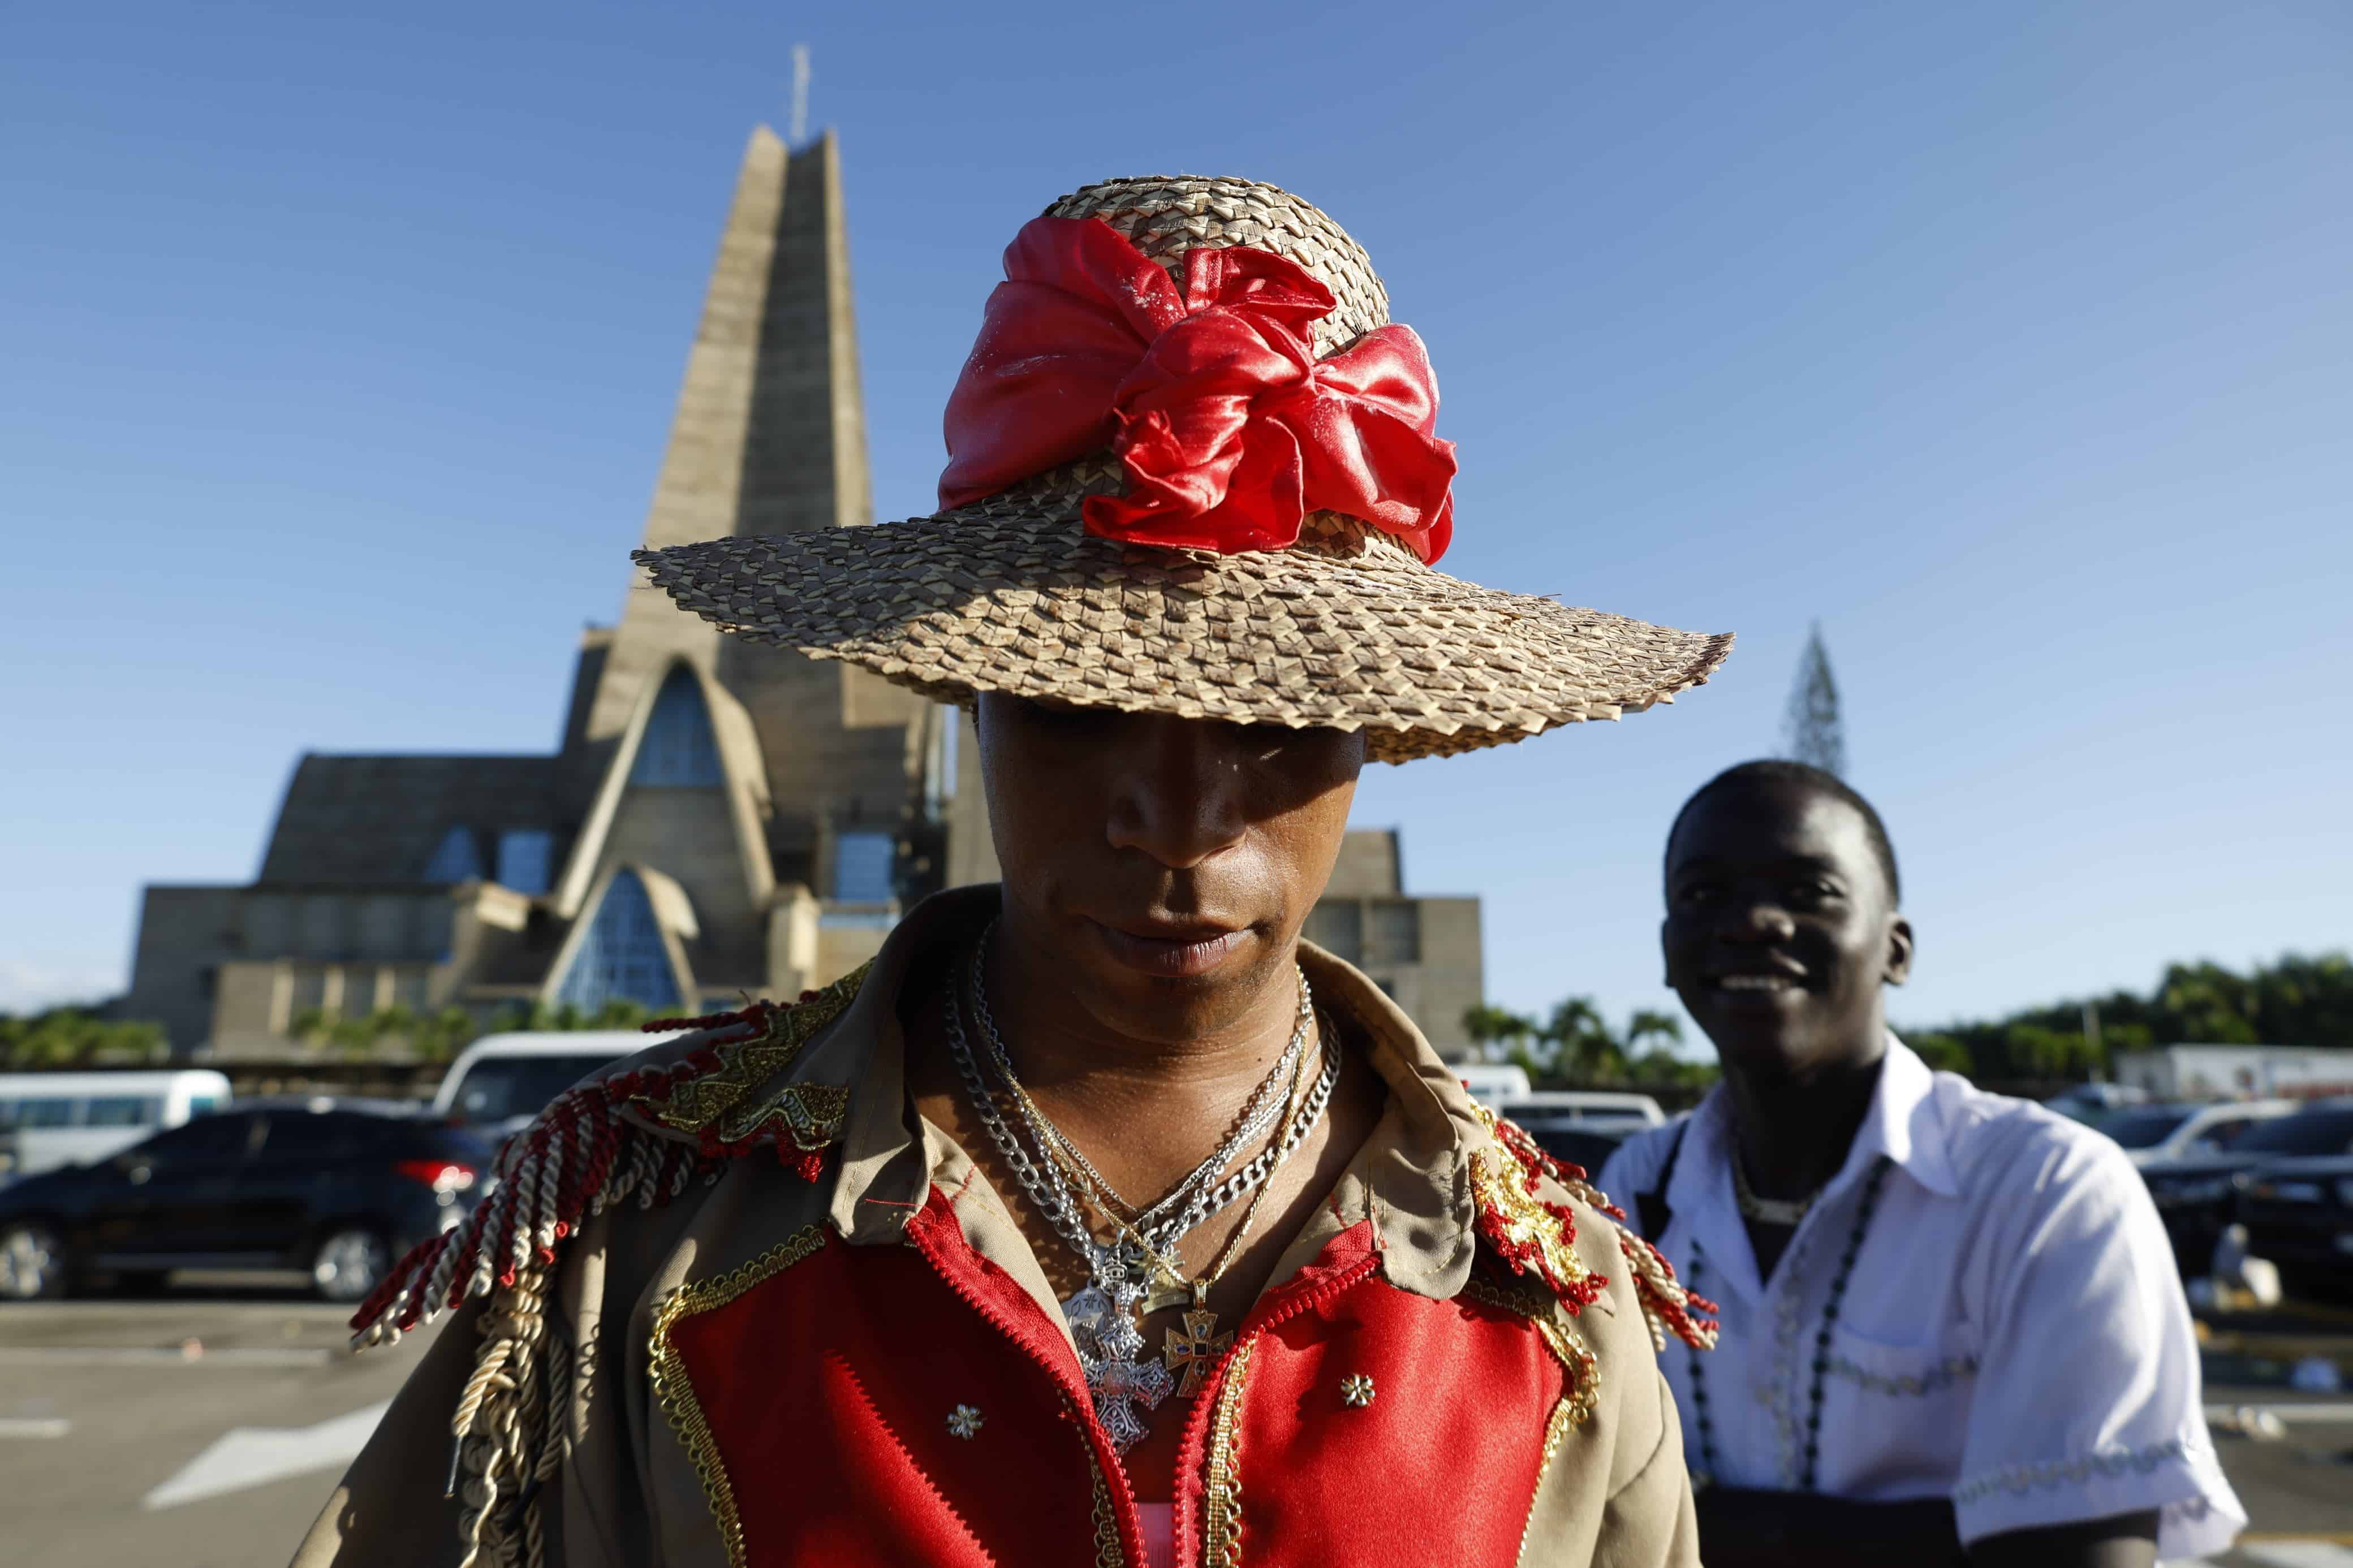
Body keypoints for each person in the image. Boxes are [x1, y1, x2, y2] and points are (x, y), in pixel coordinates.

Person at [292, 175, 1735, 1568]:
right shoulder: (640, 1241)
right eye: (1081, 701)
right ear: (962, 700)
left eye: (1273, 717)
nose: (1175, 814)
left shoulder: (1555, 1309)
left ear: (1371, 734)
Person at [1597, 761, 2245, 1567]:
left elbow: (2079, 1554)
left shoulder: (2046, 1191)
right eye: (1704, 895)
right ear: (1668, 952)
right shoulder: (1636, 1192)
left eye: (1809, 892)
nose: (1752, 920)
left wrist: (1706, 1526)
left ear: (1896, 948)